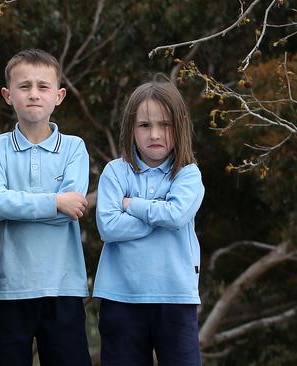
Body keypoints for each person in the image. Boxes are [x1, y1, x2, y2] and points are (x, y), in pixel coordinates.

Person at [0, 49, 92, 366]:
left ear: (59, 96)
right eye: (24, 86)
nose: (33, 94)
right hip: (7, 288)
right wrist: (55, 201)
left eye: (43, 87)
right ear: (7, 94)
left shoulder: (74, 147)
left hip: (64, 287)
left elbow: (72, 210)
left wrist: (18, 205)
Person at [93, 77, 205, 366]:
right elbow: (108, 226)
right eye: (144, 125)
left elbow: (177, 215)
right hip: (120, 298)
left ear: (179, 127)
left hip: (176, 297)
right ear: (131, 129)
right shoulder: (115, 172)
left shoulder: (188, 174)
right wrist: (161, 215)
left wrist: (133, 205)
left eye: (164, 125)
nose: (155, 133)